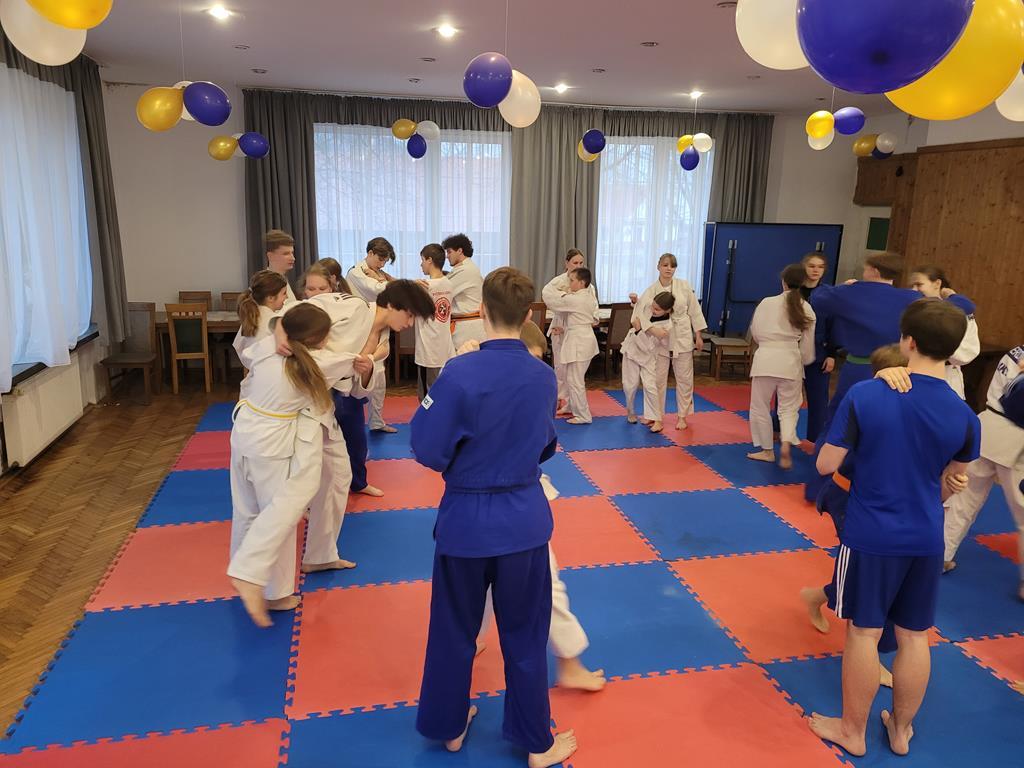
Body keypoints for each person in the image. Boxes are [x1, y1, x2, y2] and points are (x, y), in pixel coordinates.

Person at [412, 267, 577, 768]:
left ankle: (449, 726)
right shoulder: (542, 375)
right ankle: (536, 743)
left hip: (464, 523)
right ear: (528, 315)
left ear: (481, 311)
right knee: (525, 636)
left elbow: (426, 447)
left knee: (453, 630)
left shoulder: (458, 373)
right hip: (522, 522)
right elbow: (546, 445)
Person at [807, 299, 980, 758]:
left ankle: (852, 731)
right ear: (954, 350)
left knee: (863, 633)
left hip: (872, 535)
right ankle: (901, 731)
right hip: (926, 536)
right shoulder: (965, 415)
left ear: (908, 341)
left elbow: (825, 464)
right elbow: (949, 487)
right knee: (915, 636)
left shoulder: (868, 394)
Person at [799, 344, 969, 688]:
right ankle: (869, 654)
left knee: (876, 579)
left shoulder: (923, 406)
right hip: (852, 500)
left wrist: (950, 483)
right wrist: (880, 378)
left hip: (890, 509)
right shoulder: (870, 400)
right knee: (872, 580)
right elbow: (828, 459)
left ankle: (819, 596)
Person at [473, 320, 607, 693]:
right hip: (502, 505)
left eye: (535, 362)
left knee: (486, 579)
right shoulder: (477, 383)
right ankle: (570, 663)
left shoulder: (521, 389)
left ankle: (472, 639)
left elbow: (542, 447)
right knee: (541, 582)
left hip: (510, 501)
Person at [228, 302, 374, 627]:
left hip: (244, 433)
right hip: (273, 444)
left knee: (248, 510)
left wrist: (279, 330)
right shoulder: (319, 363)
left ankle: (246, 569)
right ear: (318, 340)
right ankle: (269, 588)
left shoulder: (267, 347)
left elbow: (255, 347)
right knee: (279, 511)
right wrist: (367, 362)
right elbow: (358, 362)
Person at [804, 251, 975, 501]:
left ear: (873, 270)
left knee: (838, 425)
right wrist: (949, 294)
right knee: (887, 427)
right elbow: (965, 307)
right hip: (901, 371)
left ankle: (819, 488)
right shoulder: (911, 298)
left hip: (858, 369)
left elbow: (816, 296)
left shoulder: (851, 293)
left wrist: (847, 286)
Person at [298, 282, 435, 578]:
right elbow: (298, 312)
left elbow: (358, 392)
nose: (410, 324)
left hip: (328, 403)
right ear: (394, 306)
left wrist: (368, 367)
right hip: (301, 399)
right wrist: (283, 334)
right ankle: (266, 571)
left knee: (339, 475)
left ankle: (319, 555)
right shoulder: (352, 306)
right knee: (297, 485)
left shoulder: (382, 337)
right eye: (410, 316)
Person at [941, 346, 1024, 595]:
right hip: (1015, 440)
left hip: (985, 428)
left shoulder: (1016, 352)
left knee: (962, 499)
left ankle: (940, 556)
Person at [747, 264, 817, 470]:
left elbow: (756, 333)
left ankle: (767, 451)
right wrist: (803, 361)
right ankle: (786, 442)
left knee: (760, 406)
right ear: (803, 283)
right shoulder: (806, 308)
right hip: (791, 361)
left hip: (766, 359)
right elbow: (807, 345)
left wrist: (767, 344)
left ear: (783, 281)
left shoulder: (767, 303)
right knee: (788, 408)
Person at [630, 253, 707, 430]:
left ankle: (682, 416)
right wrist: (635, 302)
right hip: (661, 337)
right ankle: (655, 416)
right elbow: (641, 312)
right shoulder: (651, 290)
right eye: (665, 265)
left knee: (684, 378)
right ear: (658, 266)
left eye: (672, 266)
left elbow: (695, 311)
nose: (668, 269)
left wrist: (698, 335)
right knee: (657, 379)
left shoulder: (684, 286)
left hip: (682, 334)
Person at [347, 237, 399, 434]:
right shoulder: (356, 272)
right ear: (370, 253)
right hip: (362, 329)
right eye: (380, 259)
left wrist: (382, 277)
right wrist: (381, 280)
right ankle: (352, 424)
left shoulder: (378, 272)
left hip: (380, 323)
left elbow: (392, 287)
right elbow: (379, 290)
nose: (382, 264)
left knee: (379, 376)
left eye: (385, 261)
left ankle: (376, 421)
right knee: (359, 376)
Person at [907, 265, 979, 399]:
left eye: (919, 285)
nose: (914, 290)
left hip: (946, 376)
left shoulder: (960, 313)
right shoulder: (912, 310)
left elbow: (969, 352)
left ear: (937, 284)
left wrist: (935, 348)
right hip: (910, 376)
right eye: (911, 286)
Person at [542, 249, 600, 415]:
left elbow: (592, 310)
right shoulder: (558, 282)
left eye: (581, 263)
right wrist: (564, 294)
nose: (578, 265)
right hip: (562, 326)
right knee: (561, 368)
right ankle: (563, 401)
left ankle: (576, 408)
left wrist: (566, 297)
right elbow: (548, 296)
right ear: (566, 263)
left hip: (578, 331)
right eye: (575, 262)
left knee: (574, 375)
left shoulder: (586, 288)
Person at [621, 292, 674, 433]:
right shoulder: (649, 304)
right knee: (629, 385)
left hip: (649, 355)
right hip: (631, 350)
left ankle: (657, 419)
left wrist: (640, 329)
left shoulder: (667, 326)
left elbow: (648, 346)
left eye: (657, 309)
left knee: (650, 386)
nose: (653, 310)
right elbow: (639, 307)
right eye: (653, 307)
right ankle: (630, 412)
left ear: (667, 310)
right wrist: (635, 301)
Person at [233, 270, 288, 399]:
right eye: (284, 293)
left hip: (252, 386)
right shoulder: (275, 323)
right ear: (270, 298)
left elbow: (239, 347)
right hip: (271, 389)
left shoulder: (250, 319)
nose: (286, 298)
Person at [800, 253, 836, 443]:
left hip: (819, 351)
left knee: (819, 399)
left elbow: (834, 326)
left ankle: (817, 438)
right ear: (804, 267)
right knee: (785, 395)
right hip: (793, 351)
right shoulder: (794, 291)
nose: (815, 270)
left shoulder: (829, 294)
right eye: (812, 266)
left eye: (820, 267)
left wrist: (831, 354)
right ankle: (778, 429)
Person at [414, 243, 456, 401]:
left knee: (427, 397)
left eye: (422, 260)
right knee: (442, 392)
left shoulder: (424, 287)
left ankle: (428, 417)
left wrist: (413, 286)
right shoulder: (449, 284)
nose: (421, 264)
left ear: (429, 260)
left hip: (428, 350)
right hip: (445, 348)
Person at [442, 233, 487, 348]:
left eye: (449, 252)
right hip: (466, 326)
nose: (447, 256)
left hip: (468, 328)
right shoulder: (464, 269)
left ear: (460, 251)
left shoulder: (466, 270)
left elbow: (442, 290)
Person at [264, 229, 298, 304]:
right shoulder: (267, 286)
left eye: (292, 253)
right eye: (286, 254)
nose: (293, 258)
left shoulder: (284, 280)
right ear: (270, 256)